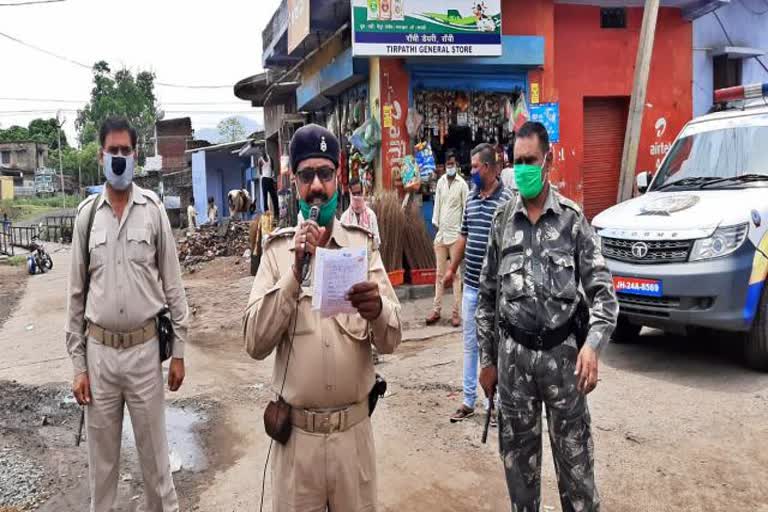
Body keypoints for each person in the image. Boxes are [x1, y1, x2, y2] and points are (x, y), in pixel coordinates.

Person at [243, 124, 402, 511]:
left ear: (338, 178)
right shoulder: (278, 252)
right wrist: (294, 275)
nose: (317, 186)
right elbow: (254, 342)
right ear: (294, 183)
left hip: (353, 440)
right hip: (298, 445)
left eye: (325, 174)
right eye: (306, 175)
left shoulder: (363, 247)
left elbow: (393, 338)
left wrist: (378, 310)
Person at [475, 121, 618, 511]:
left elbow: (604, 295)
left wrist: (592, 346)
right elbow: (486, 297)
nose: (522, 168)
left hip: (564, 366)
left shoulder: (572, 221)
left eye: (530, 161)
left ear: (547, 162)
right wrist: (486, 361)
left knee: (578, 480)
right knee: (520, 482)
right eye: (517, 161)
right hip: (514, 367)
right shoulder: (502, 221)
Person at [65, 117, 189, 512]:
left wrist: (181, 350)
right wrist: (78, 364)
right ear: (101, 154)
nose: (119, 158)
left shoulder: (152, 211)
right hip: (99, 356)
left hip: (144, 353)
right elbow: (75, 297)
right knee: (102, 471)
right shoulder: (87, 217)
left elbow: (173, 284)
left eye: (125, 151)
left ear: (135, 155)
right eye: (112, 151)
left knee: (156, 466)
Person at [443, 143, 514, 422]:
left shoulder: (506, 200)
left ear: (487, 167)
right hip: (472, 287)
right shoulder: (472, 199)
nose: (470, 171)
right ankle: (468, 400)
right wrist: (452, 269)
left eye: (474, 167)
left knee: (495, 348)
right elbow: (463, 236)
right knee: (471, 345)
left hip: (497, 293)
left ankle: (494, 405)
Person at [426, 150, 468, 328]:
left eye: (453, 164)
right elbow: (438, 205)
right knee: (439, 274)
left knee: (457, 276)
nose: (450, 167)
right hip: (441, 234)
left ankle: (456, 313)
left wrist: (463, 233)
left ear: (456, 165)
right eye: (448, 164)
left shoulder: (462, 185)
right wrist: (436, 223)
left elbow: (466, 210)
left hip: (455, 236)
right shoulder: (441, 182)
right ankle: (436, 310)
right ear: (445, 166)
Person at [340, 178, 381, 249]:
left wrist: (370, 241)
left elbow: (377, 242)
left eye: (359, 193)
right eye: (354, 193)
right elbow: (340, 242)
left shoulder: (371, 215)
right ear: (350, 193)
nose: (356, 197)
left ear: (363, 192)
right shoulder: (344, 217)